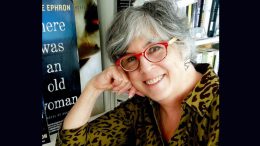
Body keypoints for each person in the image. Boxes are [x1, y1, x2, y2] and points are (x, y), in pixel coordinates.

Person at [55, 0, 219, 145]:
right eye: (131, 58)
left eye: (155, 48)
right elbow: (70, 142)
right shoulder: (141, 106)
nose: (145, 68)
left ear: (182, 45)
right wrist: (94, 87)